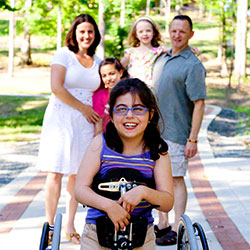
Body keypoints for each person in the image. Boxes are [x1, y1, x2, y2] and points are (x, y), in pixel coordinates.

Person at [75, 78, 174, 250]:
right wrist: (109, 206)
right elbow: (80, 190)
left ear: (150, 115)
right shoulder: (100, 145)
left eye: (138, 109)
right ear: (112, 116)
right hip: (97, 234)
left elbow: (167, 202)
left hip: (140, 235)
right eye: (121, 109)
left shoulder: (157, 152)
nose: (129, 115)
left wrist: (143, 192)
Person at [37, 14, 102, 244]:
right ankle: (51, 225)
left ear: (95, 35)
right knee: (55, 172)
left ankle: (70, 225)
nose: (86, 35)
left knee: (77, 174)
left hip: (85, 123)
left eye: (90, 32)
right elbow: (56, 87)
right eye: (82, 31)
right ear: (74, 33)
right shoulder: (64, 54)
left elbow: (117, 73)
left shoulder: (99, 59)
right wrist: (83, 108)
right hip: (61, 118)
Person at [152, 15, 207, 246]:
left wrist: (192, 139)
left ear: (190, 34)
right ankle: (162, 224)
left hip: (176, 133)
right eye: (173, 30)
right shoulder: (162, 59)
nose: (177, 35)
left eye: (182, 32)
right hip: (154, 132)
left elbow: (199, 104)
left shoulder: (193, 65)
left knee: (175, 179)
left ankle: (177, 226)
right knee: (156, 179)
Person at [121, 16, 199, 88]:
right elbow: (119, 67)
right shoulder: (130, 52)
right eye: (141, 32)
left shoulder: (157, 51)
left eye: (148, 31)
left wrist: (190, 48)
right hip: (132, 87)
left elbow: (176, 48)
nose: (145, 34)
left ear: (154, 33)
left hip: (149, 88)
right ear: (136, 35)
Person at [92, 57, 128, 135]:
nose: (108, 78)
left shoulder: (128, 94)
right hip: (107, 138)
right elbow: (98, 124)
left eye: (111, 74)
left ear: (120, 73)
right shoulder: (99, 96)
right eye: (104, 76)